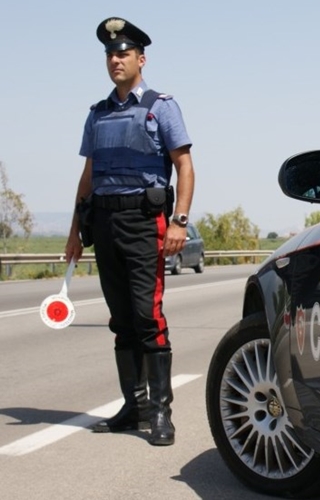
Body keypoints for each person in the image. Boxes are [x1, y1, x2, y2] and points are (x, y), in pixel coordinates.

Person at [64, 17, 195, 446]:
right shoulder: (98, 114)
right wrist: (73, 232)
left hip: (146, 222)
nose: (115, 59)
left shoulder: (161, 106)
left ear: (141, 58)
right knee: (121, 320)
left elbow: (185, 166)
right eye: (110, 54)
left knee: (147, 316)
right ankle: (133, 406)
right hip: (104, 222)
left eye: (123, 53)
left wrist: (180, 221)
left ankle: (160, 414)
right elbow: (88, 176)